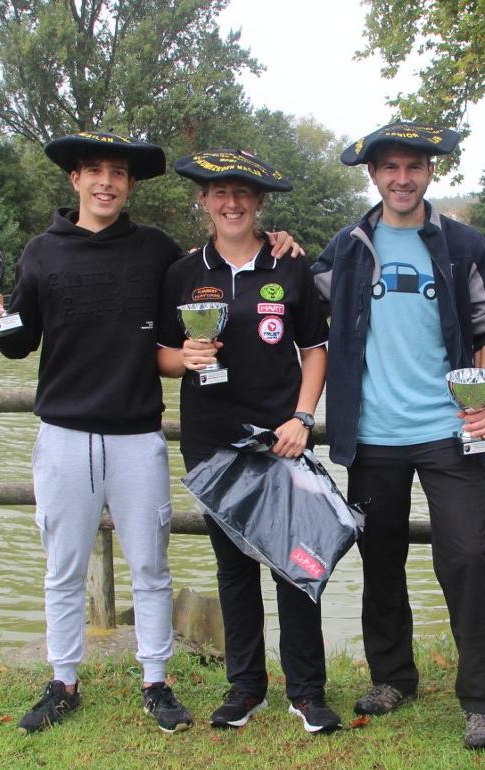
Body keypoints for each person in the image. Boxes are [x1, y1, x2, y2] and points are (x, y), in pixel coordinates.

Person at [0, 131, 301, 735]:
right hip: (64, 433)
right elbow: (21, 340)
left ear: (129, 184)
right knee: (62, 567)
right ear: (74, 180)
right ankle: (62, 680)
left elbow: (212, 281)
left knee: (151, 565)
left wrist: (276, 244)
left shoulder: (155, 252)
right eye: (93, 170)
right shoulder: (42, 251)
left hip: (136, 434)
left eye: (117, 173)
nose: (106, 182)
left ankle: (156, 681)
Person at [311, 122, 485, 750]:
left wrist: (484, 398)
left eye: (414, 167)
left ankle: (481, 699)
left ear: (430, 173)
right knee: (381, 560)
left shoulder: (460, 243)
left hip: (449, 431)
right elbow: (299, 308)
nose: (402, 178)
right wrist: (278, 244)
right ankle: (393, 677)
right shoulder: (345, 246)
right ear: (372, 175)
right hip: (372, 435)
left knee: (469, 557)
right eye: (390, 168)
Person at [155, 149, 338, 734]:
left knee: (295, 562)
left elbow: (315, 348)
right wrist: (184, 357)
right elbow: (160, 353)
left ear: (260, 203)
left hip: (281, 438)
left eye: (243, 193)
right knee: (233, 568)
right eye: (219, 193)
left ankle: (307, 690)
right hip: (211, 441)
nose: (231, 202)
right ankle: (246, 687)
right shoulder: (184, 273)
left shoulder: (290, 264)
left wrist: (303, 418)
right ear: (204, 202)